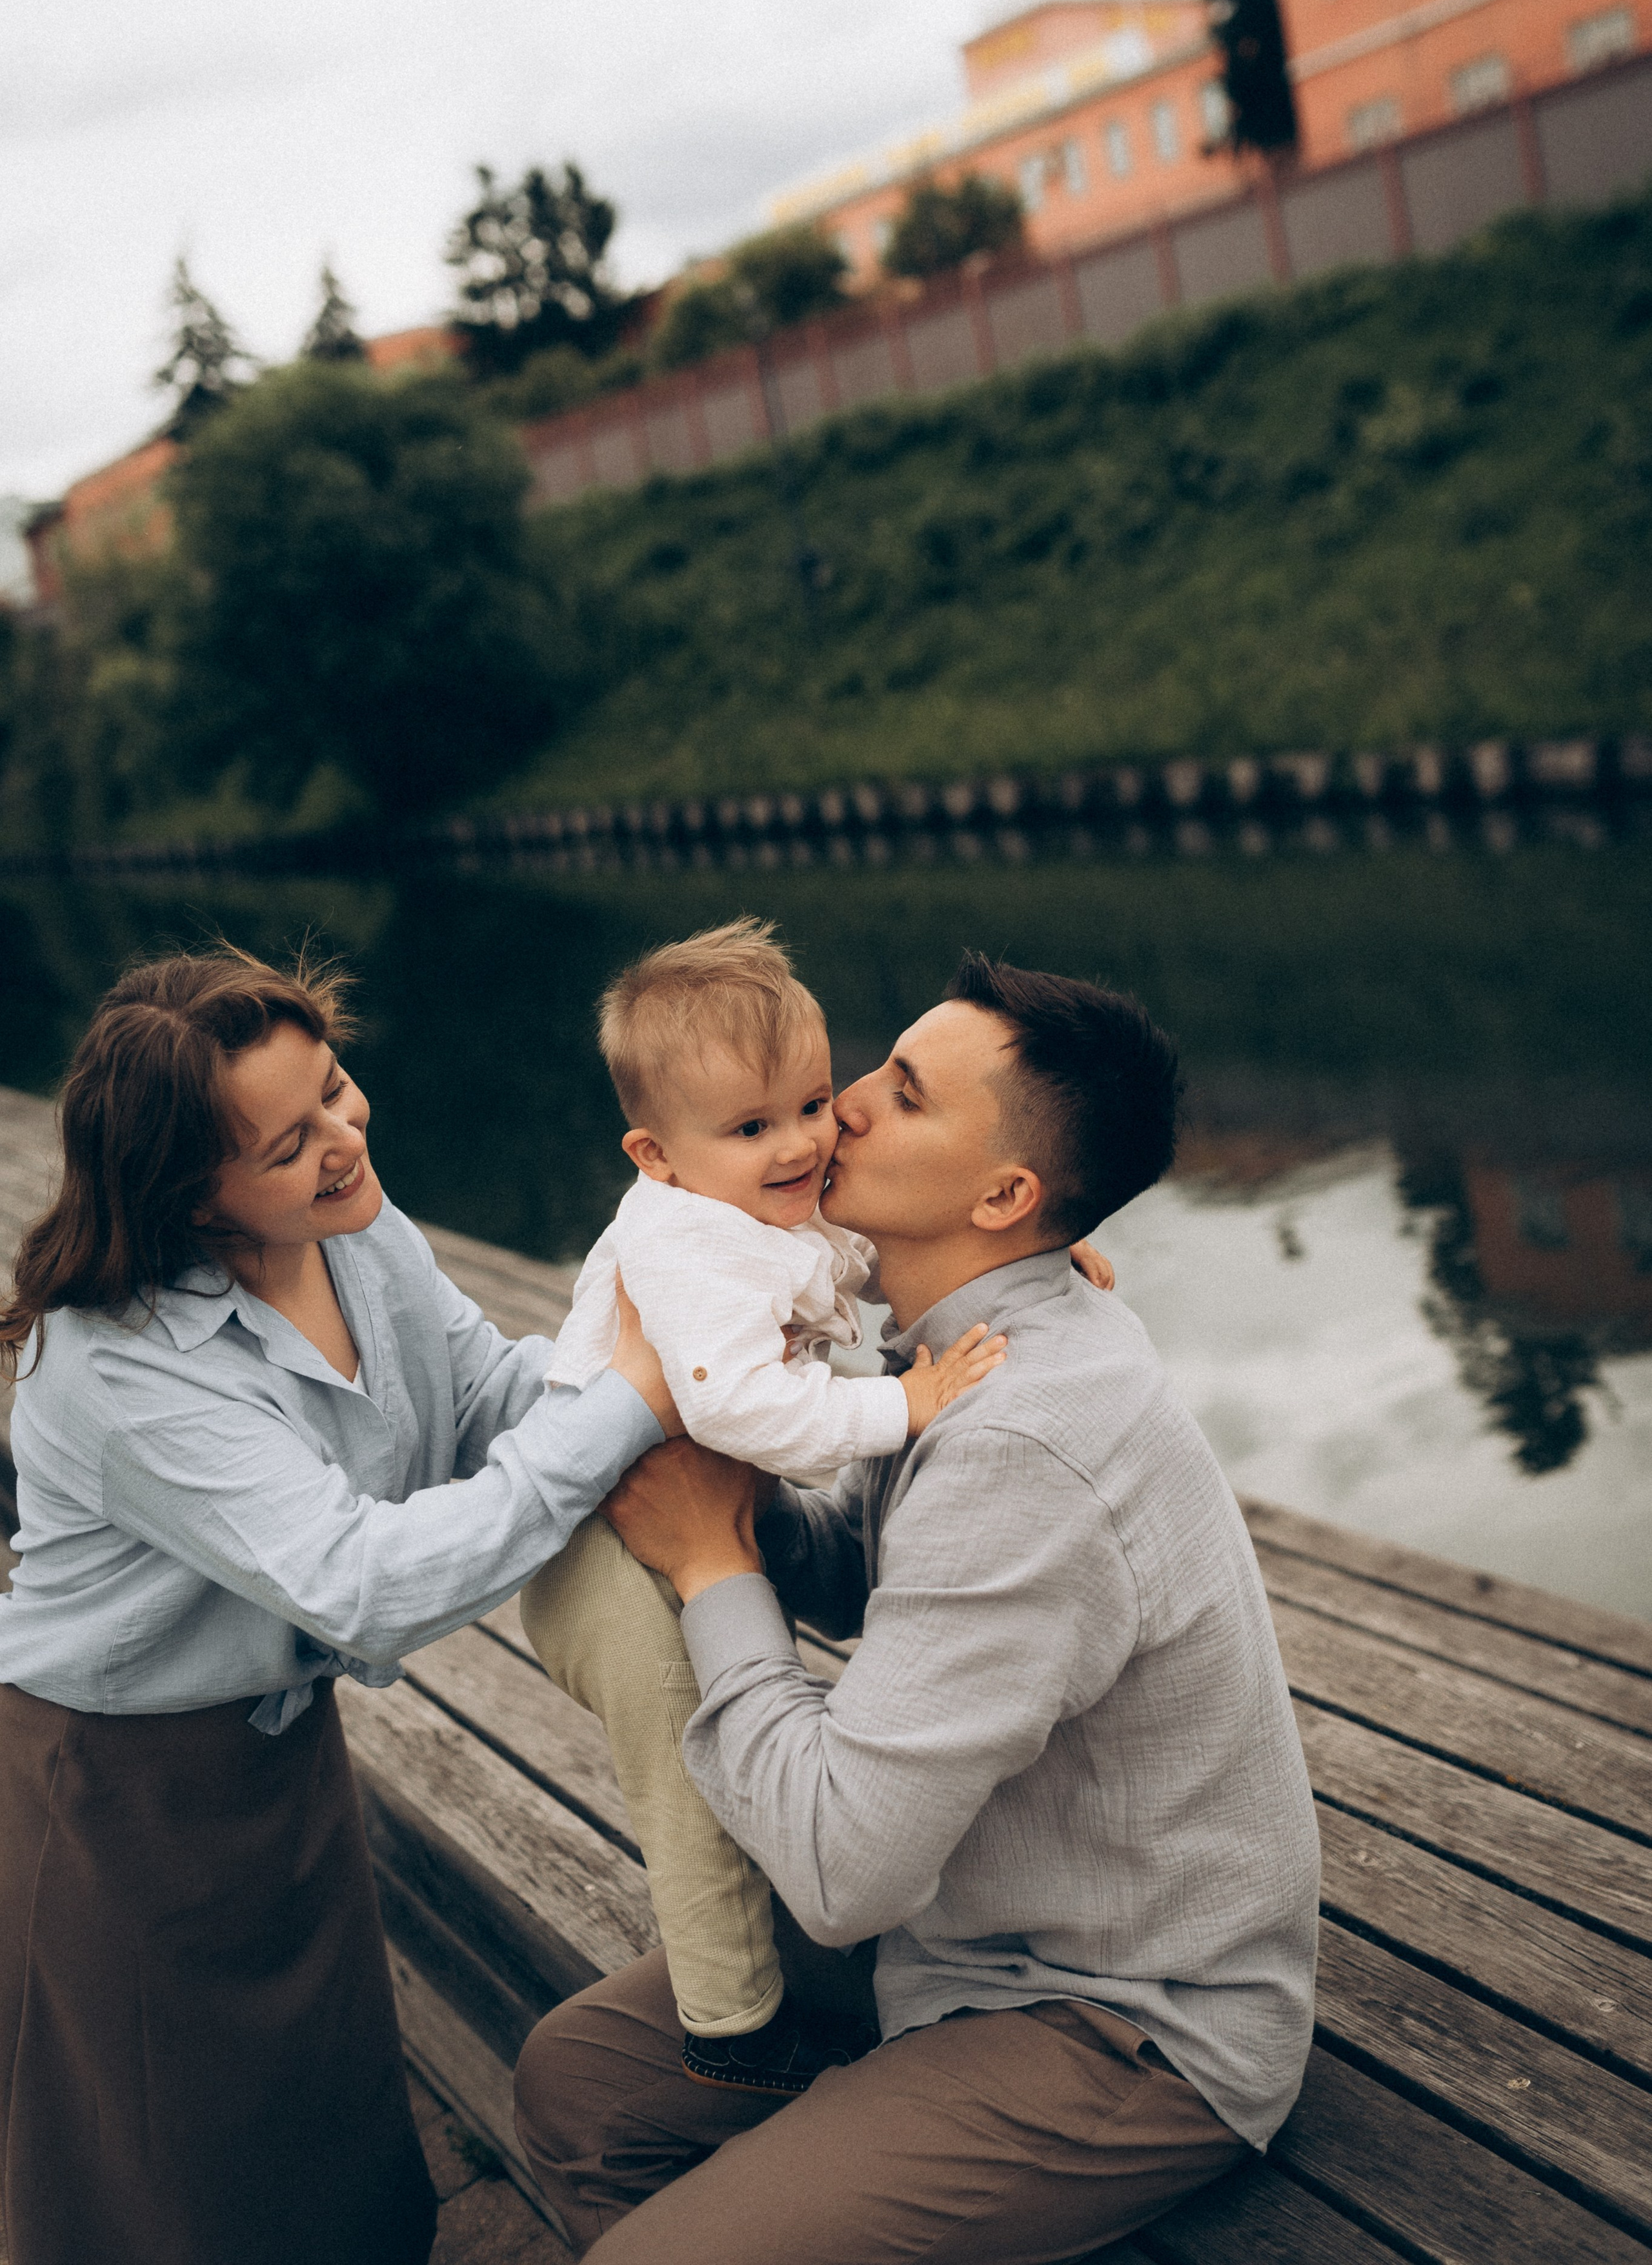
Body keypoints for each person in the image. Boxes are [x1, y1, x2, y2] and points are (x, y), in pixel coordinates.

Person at [514, 953, 1322, 2265]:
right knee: (579, 2084)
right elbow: (873, 1569)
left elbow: (839, 1871)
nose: (839, 1110)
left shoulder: (1025, 1434)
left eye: (898, 1093)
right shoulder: (970, 1329)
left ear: (1003, 1194)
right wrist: (733, 1498)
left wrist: (712, 1564)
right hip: (965, 1921)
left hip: (1118, 2015)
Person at [0, 949, 676, 2265]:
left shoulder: (351, 1222)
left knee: (322, 2127)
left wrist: (680, 1382)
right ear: (191, 1194)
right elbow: (363, 1582)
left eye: (336, 1088)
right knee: (163, 2176)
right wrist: (628, 1409)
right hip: (113, 1796)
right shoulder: (120, 1370)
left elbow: (487, 1389)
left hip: (277, 1749)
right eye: (286, 1141)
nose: (342, 1138)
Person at [526, 919, 1104, 2094]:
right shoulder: (684, 1245)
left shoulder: (742, 1195)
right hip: (594, 1546)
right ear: (656, 1156)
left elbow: (838, 1251)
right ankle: (732, 2027)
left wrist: (1045, 1247)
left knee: (722, 1753)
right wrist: (902, 1406)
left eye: (808, 1100)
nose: (809, 1138)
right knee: (685, 1783)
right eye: (755, 1128)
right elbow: (745, 1412)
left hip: (669, 1500)